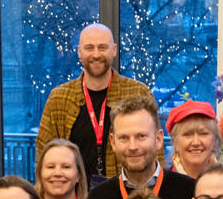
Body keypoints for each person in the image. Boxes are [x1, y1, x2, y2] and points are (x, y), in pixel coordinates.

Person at [37, 22, 152, 180]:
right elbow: (43, 156)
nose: (96, 54)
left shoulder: (139, 93)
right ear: (79, 52)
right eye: (89, 48)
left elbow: (154, 152)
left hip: (127, 197)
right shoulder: (59, 98)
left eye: (102, 47)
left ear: (114, 50)